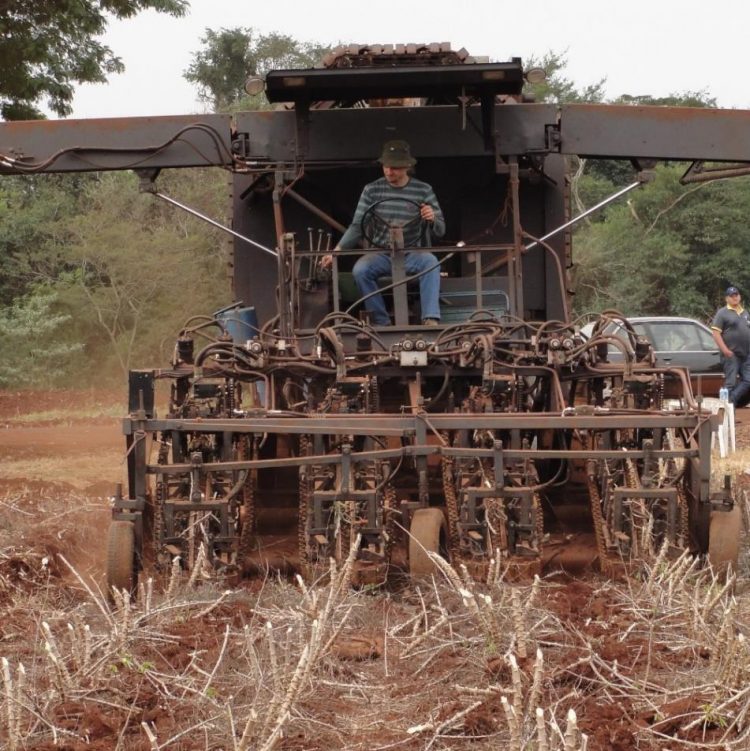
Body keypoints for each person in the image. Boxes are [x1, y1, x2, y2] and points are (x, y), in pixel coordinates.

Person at [321, 140, 445, 325]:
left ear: (406, 166)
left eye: (394, 167)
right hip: (381, 253)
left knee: (431, 262)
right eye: (386, 166)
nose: (388, 171)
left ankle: (430, 318)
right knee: (361, 270)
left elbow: (441, 229)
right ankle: (381, 322)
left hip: (413, 253)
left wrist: (432, 217)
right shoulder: (372, 190)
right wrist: (336, 252)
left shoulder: (423, 190)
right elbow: (357, 226)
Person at [711, 285, 750, 405]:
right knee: (730, 383)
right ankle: (726, 415)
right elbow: (716, 333)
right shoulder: (722, 313)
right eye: (731, 296)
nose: (735, 298)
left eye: (736, 295)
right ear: (726, 298)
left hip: (746, 354)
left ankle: (731, 399)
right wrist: (725, 350)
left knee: (748, 381)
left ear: (740, 296)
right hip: (731, 354)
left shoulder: (745, 312)